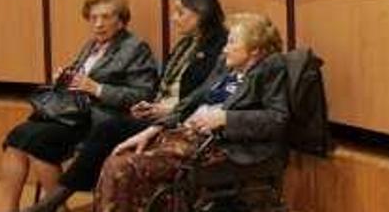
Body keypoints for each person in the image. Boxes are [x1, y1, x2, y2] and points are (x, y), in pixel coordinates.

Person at [23, 0, 228, 212]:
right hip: (155, 111)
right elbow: (164, 87)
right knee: (29, 133)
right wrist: (152, 106)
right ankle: (52, 201)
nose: (173, 18)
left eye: (180, 13)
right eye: (93, 18)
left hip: (180, 120)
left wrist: (167, 111)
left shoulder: (218, 47)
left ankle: (55, 200)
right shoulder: (186, 43)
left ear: (201, 14)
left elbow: (204, 95)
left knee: (109, 129)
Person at [93, 12, 288, 212]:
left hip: (221, 147)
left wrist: (226, 118)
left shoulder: (270, 69)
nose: (225, 48)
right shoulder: (226, 67)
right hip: (185, 136)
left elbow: (277, 119)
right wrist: (154, 128)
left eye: (232, 42)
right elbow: (191, 101)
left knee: (121, 168)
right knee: (118, 160)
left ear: (254, 50)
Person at [1, 0, 157, 212]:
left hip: (102, 118)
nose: (98, 24)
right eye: (93, 18)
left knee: (38, 144)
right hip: (73, 113)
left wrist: (97, 88)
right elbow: (78, 78)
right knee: (16, 138)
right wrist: (64, 78)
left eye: (105, 17)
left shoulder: (135, 47)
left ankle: (57, 207)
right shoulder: (91, 45)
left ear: (121, 20)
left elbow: (142, 94)